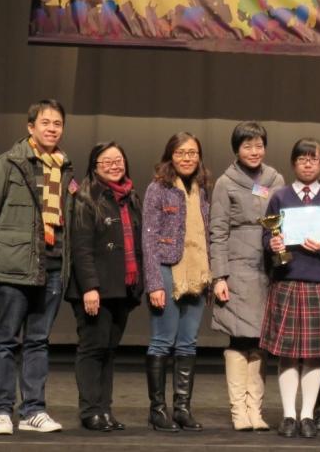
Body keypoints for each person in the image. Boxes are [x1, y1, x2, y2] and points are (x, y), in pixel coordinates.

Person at [0, 99, 73, 435]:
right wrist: (2, 253)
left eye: (57, 123)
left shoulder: (64, 167)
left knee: (38, 340)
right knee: (5, 340)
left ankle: (33, 409)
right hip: (13, 267)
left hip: (51, 265)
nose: (52, 128)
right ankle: (2, 410)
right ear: (30, 126)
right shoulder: (8, 163)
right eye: (45, 122)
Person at [262, 138, 320, 438]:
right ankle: (288, 415)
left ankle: (308, 414)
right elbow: (267, 237)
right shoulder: (280, 196)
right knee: (287, 354)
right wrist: (273, 244)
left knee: (314, 354)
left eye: (314, 159)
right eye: (302, 159)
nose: (308, 163)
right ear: (294, 163)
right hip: (288, 279)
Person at [209, 122, 284, 431]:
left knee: (261, 342)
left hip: (268, 268)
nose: (254, 151)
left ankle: (256, 408)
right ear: (236, 150)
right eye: (247, 146)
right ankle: (239, 409)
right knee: (240, 338)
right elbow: (217, 232)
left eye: (259, 145)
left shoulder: (275, 179)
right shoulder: (225, 183)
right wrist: (219, 276)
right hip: (238, 270)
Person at [67, 142, 144, 432]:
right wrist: (90, 287)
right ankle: (90, 411)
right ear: (94, 166)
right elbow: (81, 247)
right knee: (92, 349)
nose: (114, 165)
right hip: (95, 289)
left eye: (119, 160)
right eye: (106, 161)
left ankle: (105, 410)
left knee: (109, 351)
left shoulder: (130, 196)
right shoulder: (87, 196)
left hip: (122, 288)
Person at [143, 132, 212, 432]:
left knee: (188, 343)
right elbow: (148, 238)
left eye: (193, 153)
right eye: (182, 152)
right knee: (162, 340)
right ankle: (158, 410)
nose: (187, 158)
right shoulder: (158, 188)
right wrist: (155, 282)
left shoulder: (202, 189)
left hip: (197, 272)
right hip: (167, 268)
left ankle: (182, 409)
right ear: (171, 155)